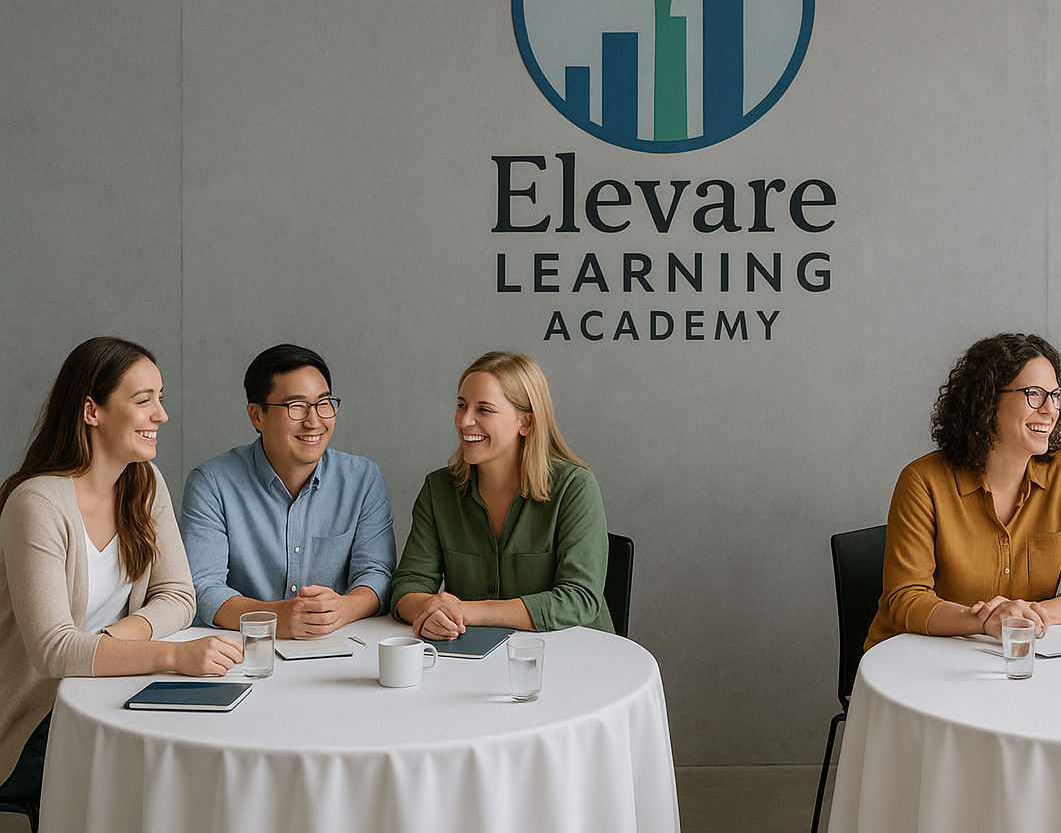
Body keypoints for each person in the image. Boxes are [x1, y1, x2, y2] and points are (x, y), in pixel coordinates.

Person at [0, 338, 241, 821]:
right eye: (143, 400)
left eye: (160, 396)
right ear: (92, 410)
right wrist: (174, 654)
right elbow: (53, 653)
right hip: (39, 723)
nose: (161, 415)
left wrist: (108, 640)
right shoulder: (36, 504)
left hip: (115, 686)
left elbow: (179, 596)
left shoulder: (144, 484)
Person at [865, 333, 1061, 649]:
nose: (1051, 409)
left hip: (1011, 657)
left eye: (1055, 394)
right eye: (1034, 394)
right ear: (987, 401)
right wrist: (985, 620)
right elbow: (905, 599)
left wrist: (1026, 617)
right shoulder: (922, 481)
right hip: (917, 661)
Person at [180, 344, 395, 639]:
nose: (314, 421)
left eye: (324, 403)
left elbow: (377, 573)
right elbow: (202, 587)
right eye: (296, 406)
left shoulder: (362, 478)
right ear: (257, 416)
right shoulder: (211, 482)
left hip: (336, 646)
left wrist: (343, 608)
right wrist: (272, 619)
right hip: (240, 650)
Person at [390, 352, 612, 637]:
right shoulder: (438, 490)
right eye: (462, 405)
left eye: (484, 410)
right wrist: (427, 612)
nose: (464, 421)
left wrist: (467, 611)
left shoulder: (575, 487)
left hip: (575, 658)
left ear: (526, 423)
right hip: (475, 659)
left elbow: (579, 599)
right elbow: (408, 585)